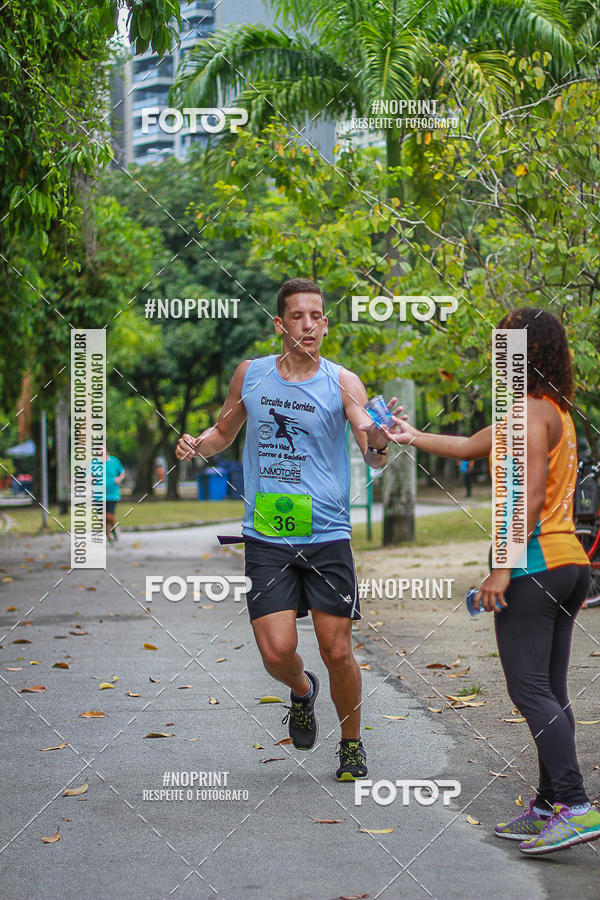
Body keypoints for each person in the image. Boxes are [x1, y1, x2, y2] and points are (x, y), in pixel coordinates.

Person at [364, 307, 600, 855]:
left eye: (505, 346)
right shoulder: (548, 410)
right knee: (549, 690)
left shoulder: (529, 414)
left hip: (535, 566)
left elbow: (530, 494)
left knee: (529, 690)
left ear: (524, 352)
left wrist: (502, 568)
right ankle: (550, 804)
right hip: (568, 565)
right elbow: (472, 445)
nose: (498, 356)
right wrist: (411, 436)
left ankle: (575, 806)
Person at [175, 278, 392, 781]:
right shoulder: (251, 375)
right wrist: (196, 444)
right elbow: (223, 432)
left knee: (337, 649)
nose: (308, 325)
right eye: (298, 316)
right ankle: (301, 689)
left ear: (326, 324)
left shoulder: (344, 382)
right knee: (275, 653)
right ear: (280, 323)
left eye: (316, 316)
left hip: (327, 534)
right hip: (268, 533)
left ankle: (351, 745)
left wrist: (379, 441)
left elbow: (373, 453)